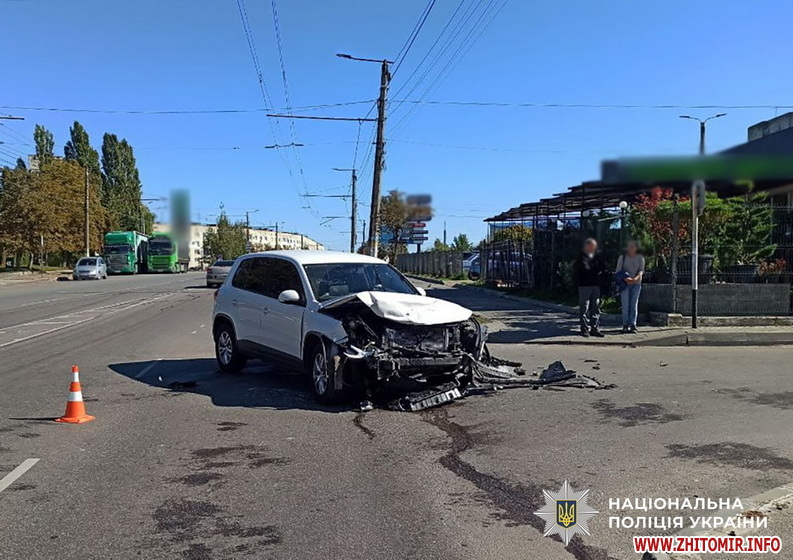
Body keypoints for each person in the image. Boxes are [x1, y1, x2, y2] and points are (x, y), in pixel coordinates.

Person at [573, 238, 606, 337]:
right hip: (584, 286)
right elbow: (585, 269)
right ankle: (584, 328)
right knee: (584, 307)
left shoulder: (596, 257)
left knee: (595, 307)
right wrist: (595, 270)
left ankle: (595, 328)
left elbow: (603, 267)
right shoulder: (582, 257)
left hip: (595, 285)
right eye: (591, 246)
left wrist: (597, 270)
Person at [616, 240, 645, 333]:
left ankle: (633, 324)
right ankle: (625, 325)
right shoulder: (622, 257)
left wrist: (636, 278)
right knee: (625, 304)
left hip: (636, 283)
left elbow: (641, 270)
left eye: (633, 246)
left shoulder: (640, 258)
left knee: (634, 304)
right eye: (629, 246)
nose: (631, 248)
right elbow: (618, 271)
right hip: (625, 284)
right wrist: (627, 279)